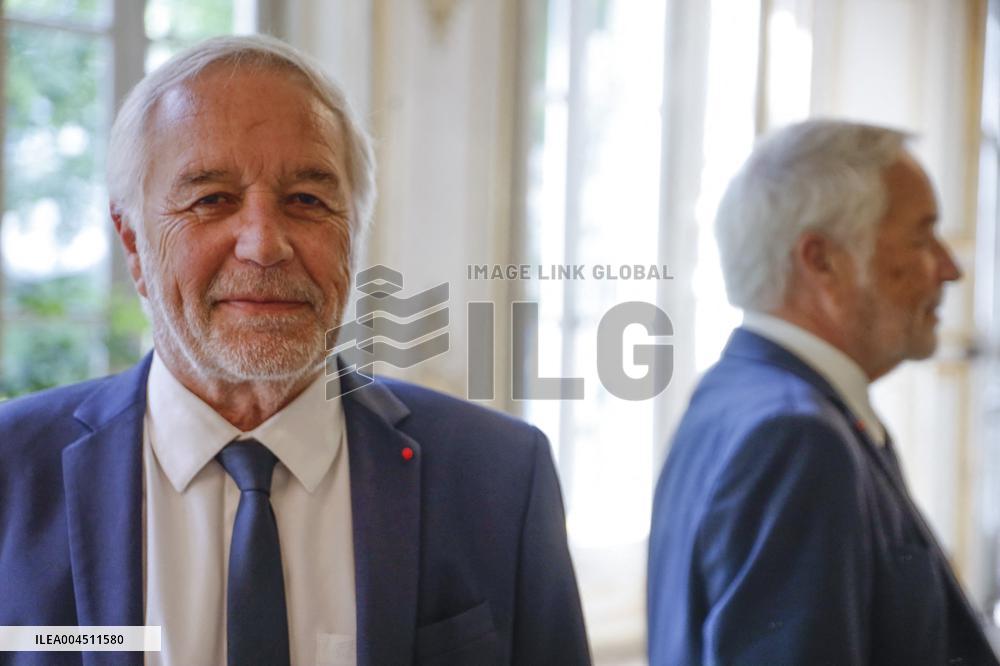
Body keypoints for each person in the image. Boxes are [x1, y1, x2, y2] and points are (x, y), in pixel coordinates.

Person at [0, 35, 590, 666]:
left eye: (307, 200)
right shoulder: (13, 472)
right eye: (211, 199)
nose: (263, 244)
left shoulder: (500, 476)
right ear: (134, 244)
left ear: (355, 233)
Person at [647, 120, 999, 665]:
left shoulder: (735, 395)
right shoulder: (795, 437)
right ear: (822, 261)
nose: (950, 269)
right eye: (921, 237)